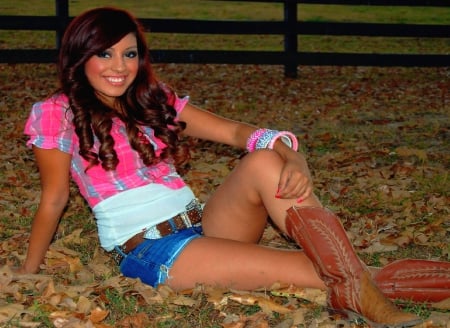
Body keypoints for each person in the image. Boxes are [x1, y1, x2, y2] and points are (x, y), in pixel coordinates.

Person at [19, 6, 449, 326]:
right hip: (153, 249)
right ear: (80, 56)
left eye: (129, 54)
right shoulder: (56, 113)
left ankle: (354, 289)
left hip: (205, 225)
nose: (119, 67)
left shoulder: (152, 99)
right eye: (105, 54)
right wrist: (27, 274)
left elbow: (241, 134)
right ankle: (358, 290)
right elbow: (54, 199)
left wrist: (293, 156)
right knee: (323, 271)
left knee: (264, 160)